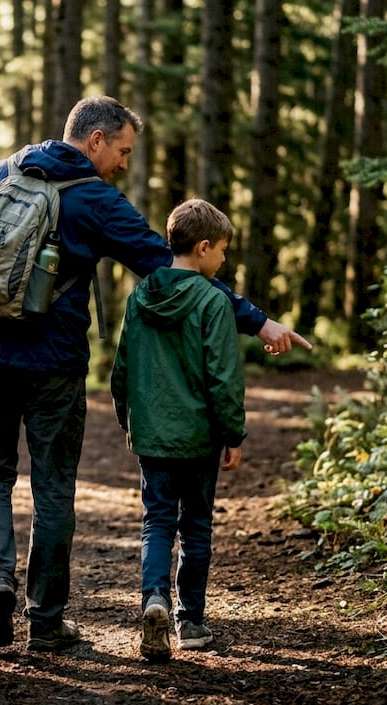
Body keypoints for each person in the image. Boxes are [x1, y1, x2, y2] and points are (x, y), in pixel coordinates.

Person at [0, 96, 309, 652]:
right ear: (95, 141)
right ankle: (45, 620)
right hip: (53, 363)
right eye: (123, 150)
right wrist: (257, 322)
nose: (124, 164)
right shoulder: (96, 200)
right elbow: (173, 270)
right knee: (53, 485)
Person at [110, 198, 246, 662]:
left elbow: (122, 368)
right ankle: (190, 621)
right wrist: (234, 434)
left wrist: (129, 419)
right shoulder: (213, 301)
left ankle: (154, 600)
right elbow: (223, 378)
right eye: (223, 251)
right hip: (200, 436)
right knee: (197, 526)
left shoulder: (141, 295)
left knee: (157, 522)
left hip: (153, 435)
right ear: (203, 247)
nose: (224, 260)